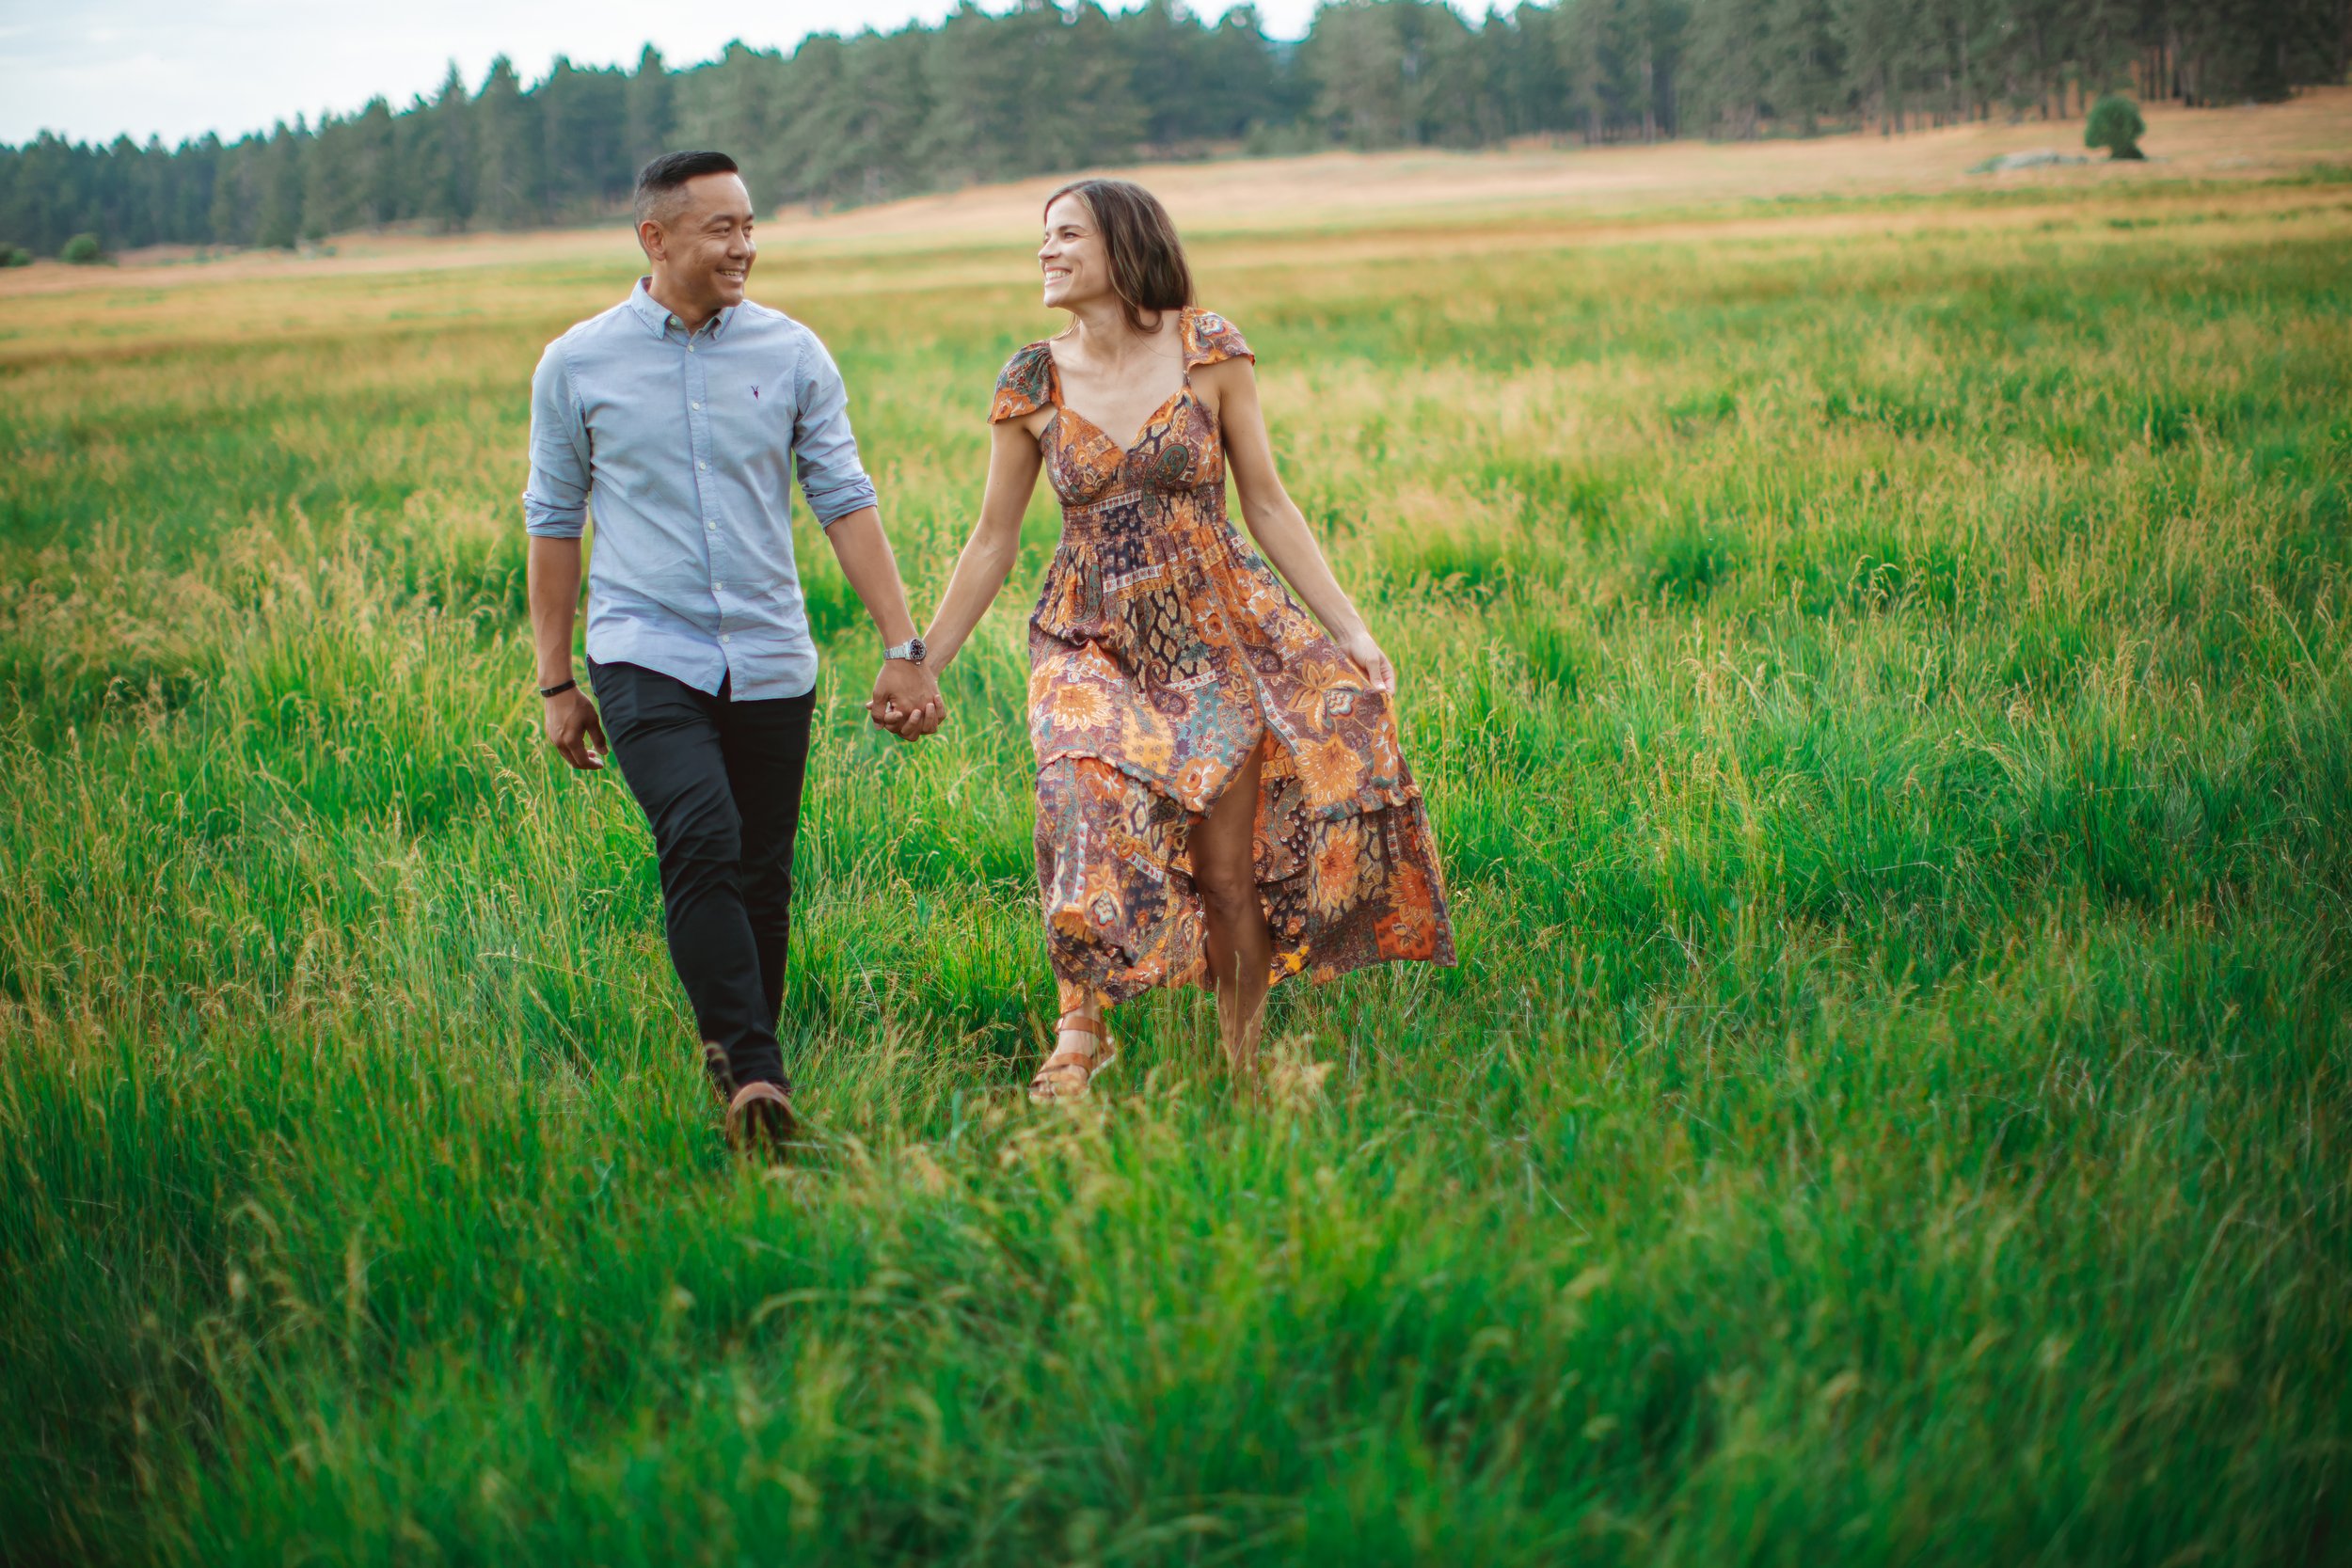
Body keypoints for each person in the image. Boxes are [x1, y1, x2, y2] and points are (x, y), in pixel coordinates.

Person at [904, 179, 1454, 1099]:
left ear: (1122, 246)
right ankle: (1077, 1033)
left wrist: (1349, 629)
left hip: (1212, 633)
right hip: (1090, 637)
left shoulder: (1208, 349)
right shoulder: (1028, 379)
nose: (1046, 251)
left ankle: (1241, 1069)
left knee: (1226, 874)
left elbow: (1267, 502)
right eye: (1044, 236)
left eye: (1065, 234)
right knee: (1077, 801)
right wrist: (922, 660)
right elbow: (993, 538)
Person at [523, 150, 943, 1150]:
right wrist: (556, 679)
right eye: (721, 228)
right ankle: (755, 1073)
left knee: (761, 869)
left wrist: (903, 644)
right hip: (642, 648)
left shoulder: (794, 353)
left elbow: (844, 498)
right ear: (654, 239)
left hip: (768, 652)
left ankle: (736, 1053)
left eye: (750, 225)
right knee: (700, 834)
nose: (745, 245)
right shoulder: (576, 363)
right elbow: (553, 519)